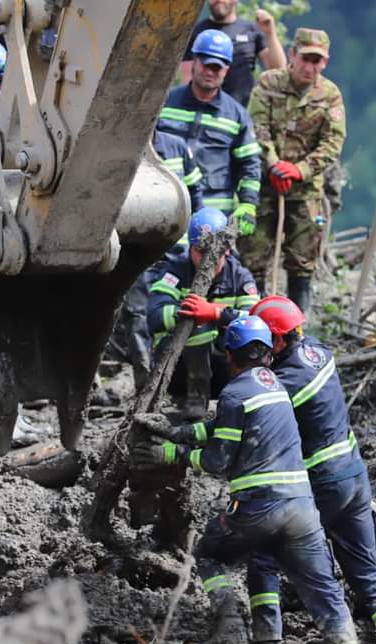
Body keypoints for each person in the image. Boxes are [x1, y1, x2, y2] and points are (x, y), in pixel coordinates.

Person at [132, 315, 366, 644]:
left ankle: (231, 627)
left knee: (208, 553)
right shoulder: (276, 385)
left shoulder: (234, 393)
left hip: (258, 507)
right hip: (303, 507)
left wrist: (170, 453)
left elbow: (218, 460)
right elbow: (224, 426)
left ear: (229, 355)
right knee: (323, 590)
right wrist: (178, 431)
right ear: (268, 354)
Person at [242, 295, 376, 644]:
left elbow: (244, 414)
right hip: (354, 478)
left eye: (261, 341)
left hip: (323, 484)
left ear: (277, 341)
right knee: (365, 568)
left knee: (264, 553)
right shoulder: (317, 352)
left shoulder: (285, 382)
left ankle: (267, 642)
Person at [244, 28, 344, 311]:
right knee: (253, 260)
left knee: (302, 263)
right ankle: (253, 324)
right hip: (265, 188)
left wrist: (299, 170)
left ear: (325, 63)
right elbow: (256, 128)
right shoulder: (268, 84)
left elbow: (333, 142)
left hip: (305, 193)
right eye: (305, 59)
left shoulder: (329, 96)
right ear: (292, 55)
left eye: (317, 61)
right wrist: (274, 165)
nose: (310, 67)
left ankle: (296, 330)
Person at [113, 129, 205, 392]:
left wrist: (194, 232)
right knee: (137, 315)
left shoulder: (176, 146)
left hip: (176, 251)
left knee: (181, 310)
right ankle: (146, 383)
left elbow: (195, 193)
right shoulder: (120, 147)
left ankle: (179, 381)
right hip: (136, 251)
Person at [146, 206, 259, 419]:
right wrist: (187, 313)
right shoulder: (175, 271)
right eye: (201, 252)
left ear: (226, 250)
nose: (208, 261)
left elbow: (255, 321)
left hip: (226, 366)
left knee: (250, 338)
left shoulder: (240, 276)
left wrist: (217, 314)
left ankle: (246, 397)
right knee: (198, 324)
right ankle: (195, 399)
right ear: (190, 248)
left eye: (213, 253)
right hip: (179, 370)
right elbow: (154, 316)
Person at [158, 30, 260, 238]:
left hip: (214, 220)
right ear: (194, 62)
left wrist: (248, 203)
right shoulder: (164, 103)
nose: (210, 72)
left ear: (226, 70)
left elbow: (250, 164)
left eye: (217, 67)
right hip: (163, 211)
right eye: (206, 64)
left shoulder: (236, 115)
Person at [179, 0, 285, 106]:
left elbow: (278, 70)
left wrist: (270, 33)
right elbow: (187, 78)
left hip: (243, 109)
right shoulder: (196, 32)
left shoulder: (251, 30)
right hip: (205, 111)